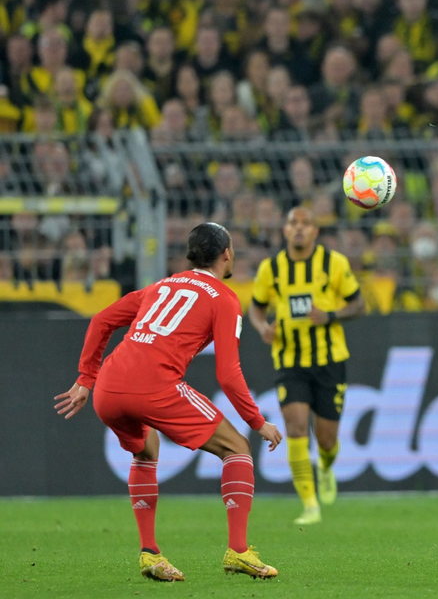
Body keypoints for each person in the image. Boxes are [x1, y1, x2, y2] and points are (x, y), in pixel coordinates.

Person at [54, 223, 283, 581]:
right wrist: (257, 421)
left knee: (146, 449)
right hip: (155, 386)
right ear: (227, 254)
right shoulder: (225, 299)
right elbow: (228, 373)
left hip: (109, 388)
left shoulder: (162, 285)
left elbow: (101, 320)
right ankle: (239, 551)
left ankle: (150, 553)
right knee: (237, 448)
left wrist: (86, 378)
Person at [249, 207, 365, 525]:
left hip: (330, 360)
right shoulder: (271, 269)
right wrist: (262, 328)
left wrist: (330, 316)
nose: (299, 228)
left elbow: (358, 304)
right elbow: (256, 308)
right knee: (296, 427)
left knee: (327, 440)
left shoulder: (333, 263)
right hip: (290, 361)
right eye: (293, 223)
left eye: (306, 223)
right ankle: (309, 504)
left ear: (316, 231)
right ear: (284, 231)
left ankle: (326, 467)